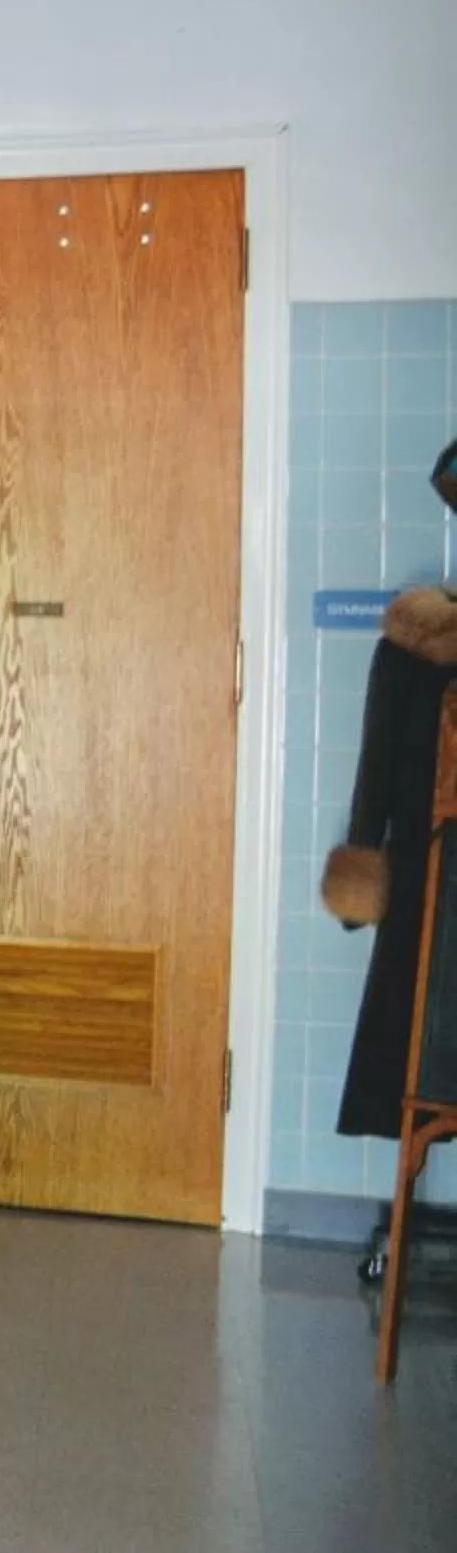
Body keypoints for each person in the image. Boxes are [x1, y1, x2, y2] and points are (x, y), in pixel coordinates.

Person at [322, 436, 457, 1136]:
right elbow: (377, 767)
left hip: (428, 876)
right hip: (431, 881)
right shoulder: (415, 639)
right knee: (419, 1054)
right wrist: (363, 866)